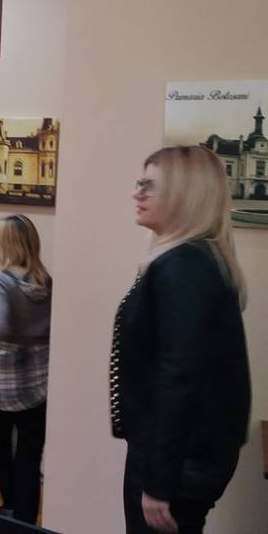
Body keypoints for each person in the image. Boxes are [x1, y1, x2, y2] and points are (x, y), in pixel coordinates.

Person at [112, 146, 250, 534]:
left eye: (149, 186)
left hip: (174, 462)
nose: (137, 193)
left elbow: (178, 375)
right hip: (181, 455)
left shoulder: (184, 266)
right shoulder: (193, 258)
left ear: (184, 195)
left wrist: (159, 482)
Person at [0, 215, 51, 524]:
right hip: (39, 382)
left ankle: (10, 511)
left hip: (2, 384)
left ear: (4, 246)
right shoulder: (46, 281)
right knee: (30, 458)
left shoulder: (1, 281)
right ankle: (26, 521)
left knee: (2, 452)